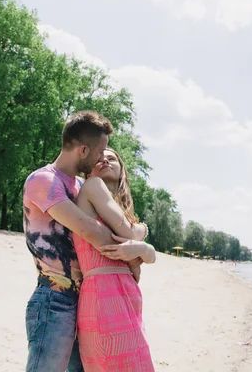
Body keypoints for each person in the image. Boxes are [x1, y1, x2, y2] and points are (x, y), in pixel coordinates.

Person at [23, 111, 145, 372]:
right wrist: (135, 251)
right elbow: (91, 232)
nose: (103, 157)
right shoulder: (44, 180)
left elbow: (114, 223)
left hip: (86, 300)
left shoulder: (80, 185)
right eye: (100, 151)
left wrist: (140, 241)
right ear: (83, 150)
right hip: (54, 299)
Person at [75, 148, 156, 371]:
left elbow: (149, 256)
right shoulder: (91, 186)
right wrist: (142, 232)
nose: (104, 160)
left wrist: (142, 248)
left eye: (111, 158)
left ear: (122, 171)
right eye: (98, 158)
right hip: (103, 294)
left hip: (127, 293)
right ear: (89, 169)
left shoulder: (121, 209)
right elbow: (128, 233)